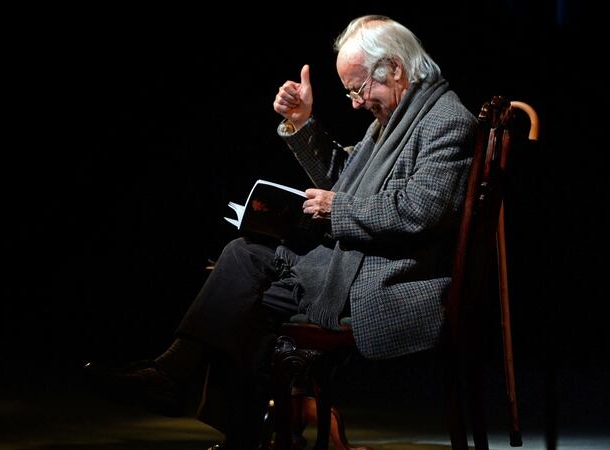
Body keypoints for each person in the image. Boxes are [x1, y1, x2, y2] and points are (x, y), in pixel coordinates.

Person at [94, 15, 478, 450]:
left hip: (387, 279)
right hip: (355, 263)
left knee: (243, 270)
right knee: (242, 282)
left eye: (357, 89)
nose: (355, 103)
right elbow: (343, 177)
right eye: (350, 92)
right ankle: (206, 400)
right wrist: (302, 122)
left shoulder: (445, 121)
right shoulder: (395, 118)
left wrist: (338, 208)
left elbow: (419, 212)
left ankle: (184, 383)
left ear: (394, 68)